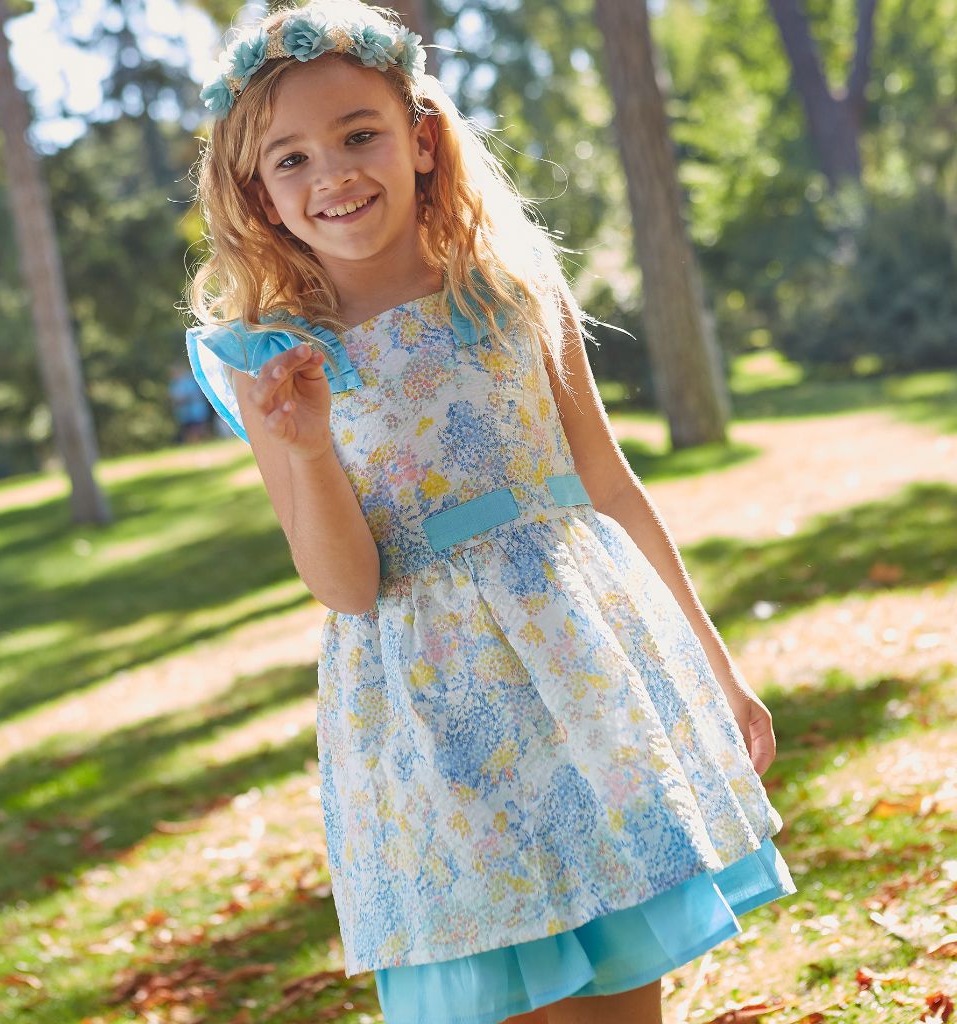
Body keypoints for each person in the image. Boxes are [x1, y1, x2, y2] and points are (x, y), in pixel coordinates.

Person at [183, 3, 797, 1022]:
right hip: (431, 711)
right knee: (502, 979)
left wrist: (714, 665)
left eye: (358, 134)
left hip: (577, 668)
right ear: (259, 191)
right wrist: (304, 447)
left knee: (616, 973)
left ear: (421, 138)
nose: (331, 173)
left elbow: (606, 482)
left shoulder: (509, 286)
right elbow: (345, 585)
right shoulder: (272, 359)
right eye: (288, 158)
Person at [168, 360, 212, 443]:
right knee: (188, 430)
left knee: (200, 428)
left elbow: (194, 393)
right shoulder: (173, 383)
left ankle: (205, 442)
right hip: (184, 413)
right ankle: (193, 444)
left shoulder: (189, 379)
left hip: (196, 409)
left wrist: (182, 399)